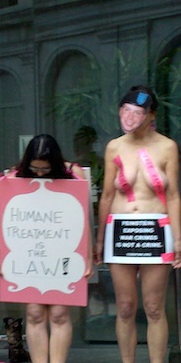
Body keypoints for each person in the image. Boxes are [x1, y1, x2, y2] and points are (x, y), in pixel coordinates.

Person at [94, 86, 181, 363]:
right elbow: (107, 194)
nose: (131, 117)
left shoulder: (167, 146)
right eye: (126, 111)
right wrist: (99, 239)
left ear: (151, 114)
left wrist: (178, 239)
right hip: (121, 230)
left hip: (155, 229)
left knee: (154, 307)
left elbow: (173, 195)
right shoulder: (115, 147)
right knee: (126, 306)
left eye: (138, 112)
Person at [0, 133, 92, 363]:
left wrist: (87, 258)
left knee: (59, 313)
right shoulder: (15, 177)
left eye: (45, 170)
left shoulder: (72, 175)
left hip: (62, 250)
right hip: (30, 252)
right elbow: (8, 220)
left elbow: (82, 220)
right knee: (34, 312)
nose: (38, 173)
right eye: (34, 168)